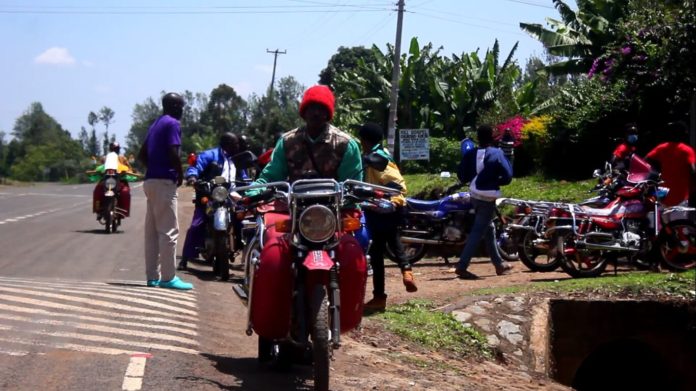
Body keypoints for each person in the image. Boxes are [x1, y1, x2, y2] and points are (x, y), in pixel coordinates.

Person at [358, 123, 417, 312]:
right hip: (394, 206)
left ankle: (379, 297)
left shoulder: (376, 157)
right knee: (393, 240)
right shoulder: (384, 153)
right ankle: (406, 270)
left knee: (376, 254)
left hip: (383, 208)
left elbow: (388, 179)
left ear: (365, 141)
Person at [251, 85, 362, 185]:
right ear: (304, 112)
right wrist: (254, 190)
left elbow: (352, 185)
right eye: (312, 107)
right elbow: (270, 177)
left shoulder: (346, 145)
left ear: (328, 114)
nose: (316, 113)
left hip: (335, 205)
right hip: (294, 204)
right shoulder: (287, 142)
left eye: (321, 108)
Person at [137, 92, 193, 290]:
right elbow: (173, 152)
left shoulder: (156, 124)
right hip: (163, 182)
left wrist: (153, 167)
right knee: (169, 231)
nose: (182, 110)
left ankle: (152, 276)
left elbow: (142, 154)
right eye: (181, 106)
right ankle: (168, 278)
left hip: (150, 180)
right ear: (175, 106)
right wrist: (179, 174)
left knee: (152, 232)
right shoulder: (172, 124)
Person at [453, 124, 514, 280]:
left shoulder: (470, 154)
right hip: (488, 197)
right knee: (478, 230)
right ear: (492, 137)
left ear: (477, 138)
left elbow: (461, 175)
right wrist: (495, 180)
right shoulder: (497, 153)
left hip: (474, 195)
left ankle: (499, 264)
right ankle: (462, 266)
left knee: (489, 229)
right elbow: (507, 176)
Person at [179, 132, 244, 270]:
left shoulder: (238, 159)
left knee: (244, 218)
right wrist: (192, 177)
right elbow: (195, 167)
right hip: (210, 194)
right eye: (234, 144)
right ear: (226, 145)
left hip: (232, 195)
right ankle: (185, 258)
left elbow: (244, 176)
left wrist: (250, 184)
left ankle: (242, 246)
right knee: (197, 224)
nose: (237, 146)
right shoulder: (210, 155)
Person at [645, 121, 696, 207]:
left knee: (658, 217)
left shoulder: (661, 147)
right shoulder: (687, 150)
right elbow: (693, 171)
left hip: (662, 192)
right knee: (679, 219)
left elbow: (645, 161)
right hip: (681, 194)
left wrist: (654, 174)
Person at [92, 142, 133, 220]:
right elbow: (100, 167)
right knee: (97, 191)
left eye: (116, 149)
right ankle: (98, 210)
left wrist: (127, 171)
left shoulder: (122, 158)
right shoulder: (105, 158)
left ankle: (123, 212)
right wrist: (98, 171)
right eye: (114, 149)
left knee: (125, 192)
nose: (115, 150)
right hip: (106, 180)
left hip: (119, 180)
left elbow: (129, 168)